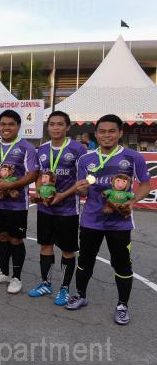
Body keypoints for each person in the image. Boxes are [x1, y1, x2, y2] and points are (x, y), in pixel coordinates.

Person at [66, 114, 151, 325]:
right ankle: (81, 295)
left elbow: (146, 184)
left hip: (120, 223)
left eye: (112, 131)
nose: (107, 135)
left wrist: (132, 202)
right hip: (91, 221)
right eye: (102, 131)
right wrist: (80, 190)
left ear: (120, 133)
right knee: (85, 261)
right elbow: (82, 189)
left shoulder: (133, 157)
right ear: (96, 134)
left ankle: (122, 305)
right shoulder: (85, 160)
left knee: (122, 265)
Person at [28, 111, 86, 304]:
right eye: (52, 124)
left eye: (60, 124)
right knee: (45, 246)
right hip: (46, 208)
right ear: (48, 127)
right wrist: (40, 193)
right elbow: (39, 175)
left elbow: (82, 180)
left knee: (67, 250)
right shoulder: (42, 149)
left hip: (67, 209)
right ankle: (45, 283)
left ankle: (64, 288)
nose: (55, 127)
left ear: (67, 127)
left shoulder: (78, 149)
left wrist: (62, 195)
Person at [0, 110, 39, 294]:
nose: (6, 127)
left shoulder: (26, 147)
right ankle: (4, 274)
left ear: (18, 126)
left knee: (15, 239)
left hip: (17, 204)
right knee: (2, 237)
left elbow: (33, 174)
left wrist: (11, 185)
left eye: (11, 124)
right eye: (3, 124)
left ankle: (17, 278)